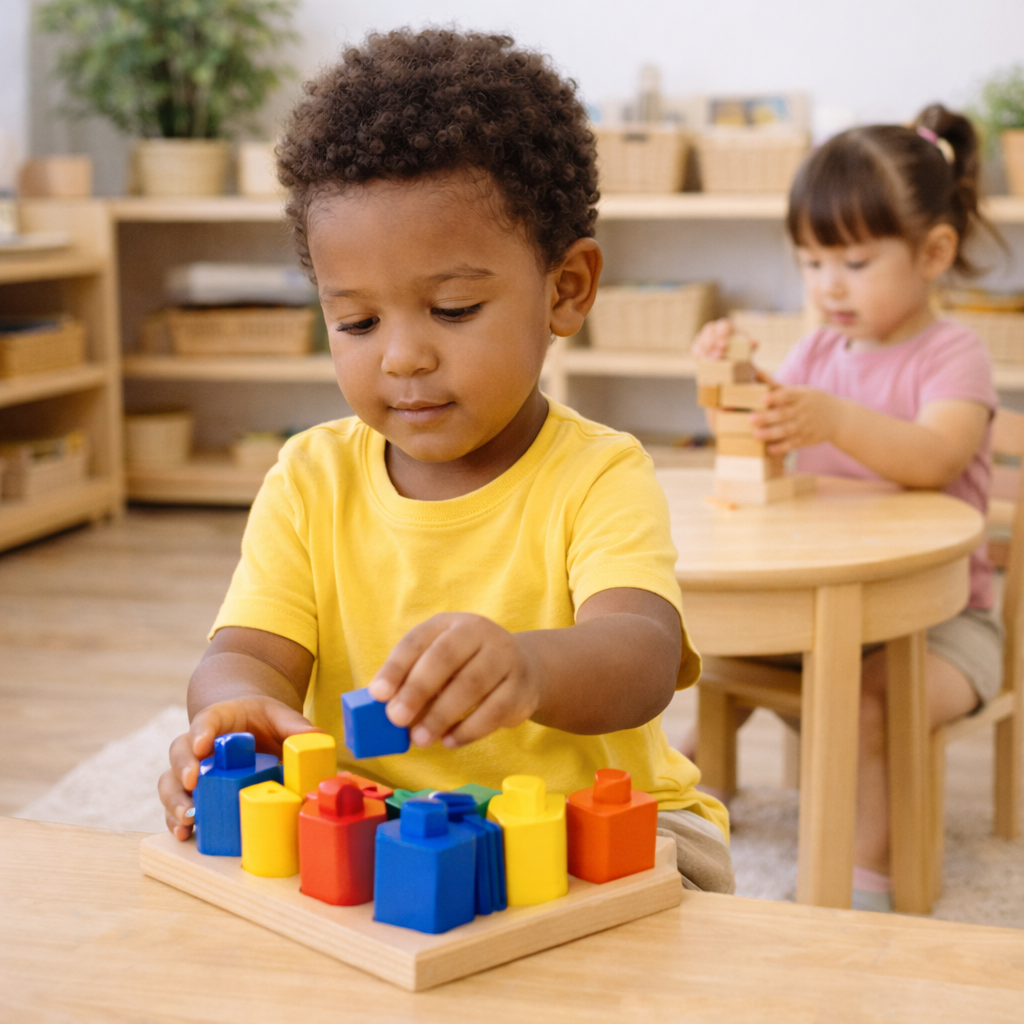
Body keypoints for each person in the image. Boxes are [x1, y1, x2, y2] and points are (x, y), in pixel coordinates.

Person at [157, 29, 733, 894]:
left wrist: (531, 669)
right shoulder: (309, 480)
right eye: (357, 322)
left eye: (454, 308)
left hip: (591, 831)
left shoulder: (599, 473)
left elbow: (641, 657)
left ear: (567, 289)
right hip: (381, 830)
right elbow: (248, 653)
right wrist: (231, 712)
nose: (403, 357)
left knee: (661, 910)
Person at [692, 104, 1001, 911]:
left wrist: (833, 418)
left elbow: (935, 457)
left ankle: (864, 882)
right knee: (711, 656)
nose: (828, 284)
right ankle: (689, 800)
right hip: (830, 606)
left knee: (869, 703)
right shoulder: (818, 349)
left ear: (933, 253)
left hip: (944, 625)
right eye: (811, 261)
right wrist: (727, 383)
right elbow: (765, 435)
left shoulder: (954, 355)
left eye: (855, 262)